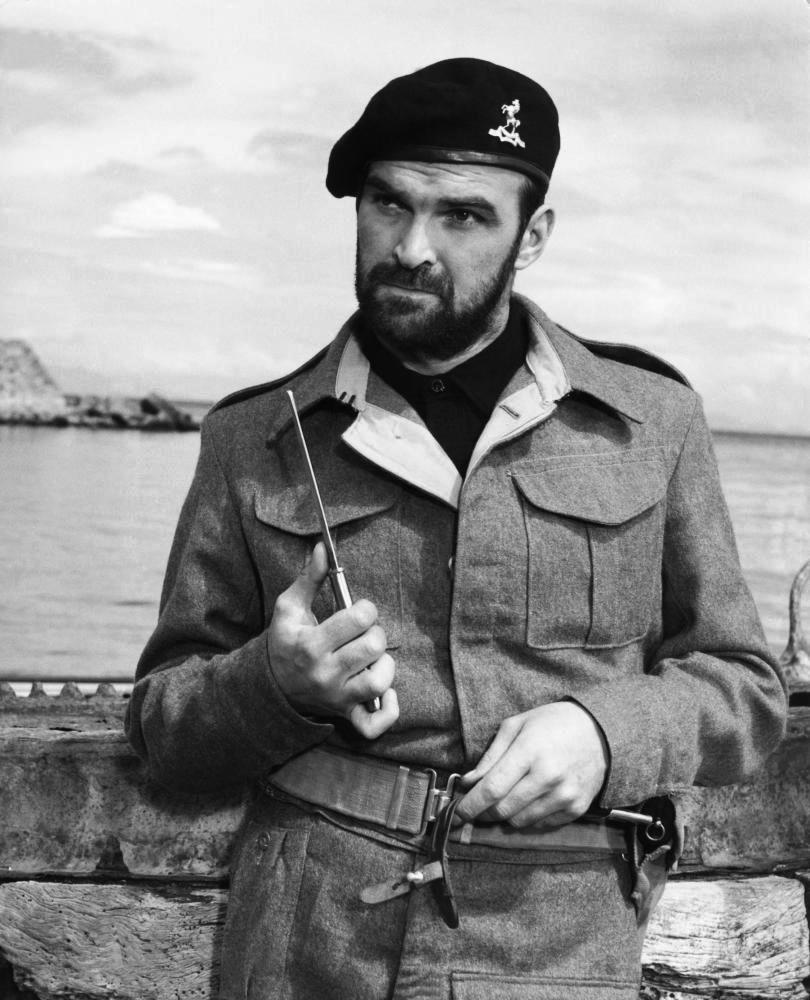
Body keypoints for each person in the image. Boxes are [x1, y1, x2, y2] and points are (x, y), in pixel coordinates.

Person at [125, 58, 787, 999]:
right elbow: (162, 725)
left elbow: (745, 689)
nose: (411, 246)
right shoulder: (253, 438)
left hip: (558, 949)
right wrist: (274, 683)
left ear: (533, 235)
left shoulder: (654, 422)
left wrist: (606, 733)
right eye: (387, 204)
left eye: (463, 216)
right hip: (306, 944)